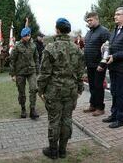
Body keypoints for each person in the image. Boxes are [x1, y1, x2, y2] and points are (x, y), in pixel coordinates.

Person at [37, 18, 84, 159]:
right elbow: (80, 72)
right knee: (67, 119)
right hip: (71, 91)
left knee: (54, 120)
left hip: (54, 91)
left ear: (57, 29)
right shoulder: (77, 49)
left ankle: (53, 151)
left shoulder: (50, 48)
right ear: (68, 31)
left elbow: (44, 73)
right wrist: (80, 89)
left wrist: (41, 90)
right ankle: (62, 150)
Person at [83, 12, 110, 116]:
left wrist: (102, 64)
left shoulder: (104, 31)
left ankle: (100, 107)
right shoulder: (89, 33)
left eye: (91, 20)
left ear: (97, 19)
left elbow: (108, 49)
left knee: (98, 86)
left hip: (99, 65)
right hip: (90, 64)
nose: (89, 22)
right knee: (92, 86)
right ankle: (92, 105)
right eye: (88, 20)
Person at [9, 27, 39, 119]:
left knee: (33, 89)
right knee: (21, 92)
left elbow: (36, 58)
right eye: (26, 36)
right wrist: (13, 74)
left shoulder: (33, 45)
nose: (28, 37)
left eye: (29, 35)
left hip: (31, 71)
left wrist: (37, 70)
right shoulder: (17, 46)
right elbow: (12, 60)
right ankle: (23, 109)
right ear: (22, 36)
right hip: (20, 72)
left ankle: (32, 109)